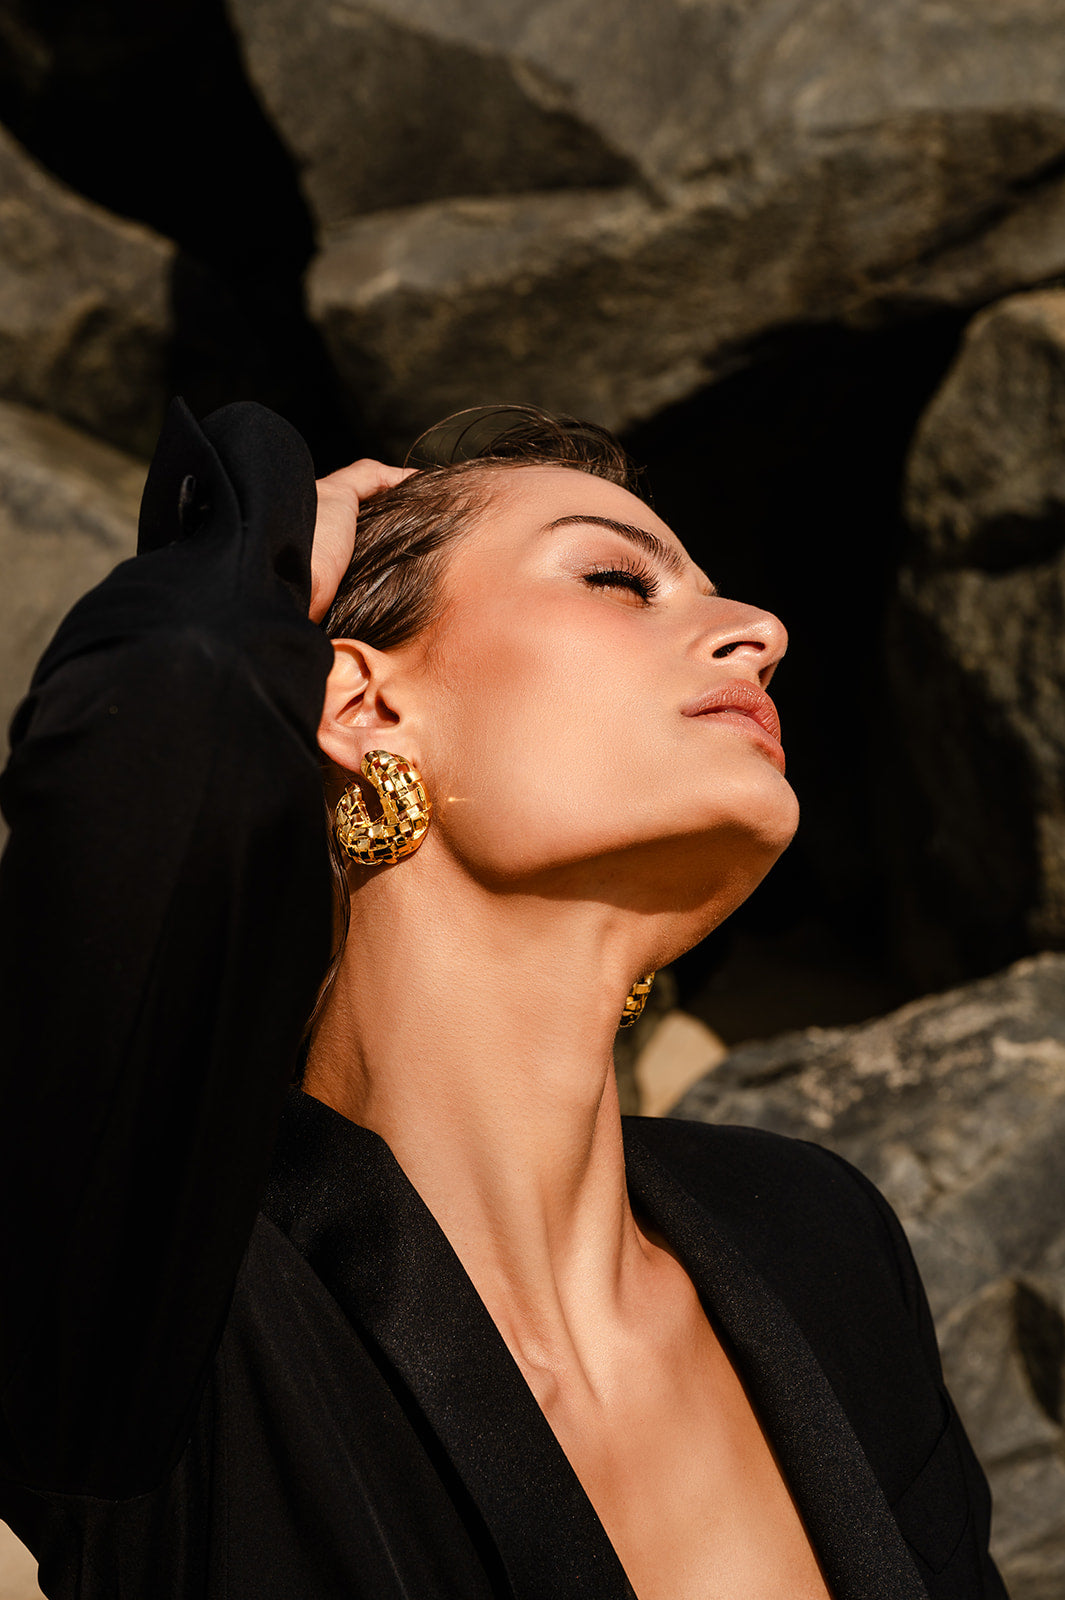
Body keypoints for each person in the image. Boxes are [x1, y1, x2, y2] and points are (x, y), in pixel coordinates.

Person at [0, 397, 1005, 1600]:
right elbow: (154, 723)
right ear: (362, 705)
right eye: (619, 581)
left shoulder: (818, 1240)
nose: (763, 630)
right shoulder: (177, 1308)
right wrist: (259, 519)